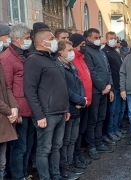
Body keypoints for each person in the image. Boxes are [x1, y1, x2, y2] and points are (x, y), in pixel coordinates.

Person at [23, 25, 70, 180]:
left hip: (60, 111)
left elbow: (61, 86)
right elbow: (30, 91)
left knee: (57, 147)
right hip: (46, 114)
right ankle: (45, 177)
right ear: (42, 42)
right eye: (52, 39)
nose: (55, 41)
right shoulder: (34, 61)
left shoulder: (54, 59)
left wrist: (66, 108)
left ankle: (56, 175)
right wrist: (39, 115)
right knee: (44, 149)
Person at [0, 23, 34, 180]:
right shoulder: (7, 58)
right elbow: (7, 87)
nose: (29, 41)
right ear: (17, 39)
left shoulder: (25, 54)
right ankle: (18, 176)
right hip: (19, 110)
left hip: (29, 107)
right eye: (27, 38)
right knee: (19, 148)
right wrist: (15, 109)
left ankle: (25, 173)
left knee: (27, 146)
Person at [57, 40, 87, 179]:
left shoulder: (71, 66)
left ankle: (70, 165)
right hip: (68, 108)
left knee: (73, 139)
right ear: (61, 52)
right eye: (69, 50)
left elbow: (79, 82)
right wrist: (79, 100)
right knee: (66, 141)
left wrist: (82, 98)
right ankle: (64, 169)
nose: (72, 53)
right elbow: (65, 89)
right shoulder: (59, 67)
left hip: (77, 107)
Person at [83, 28, 114, 160]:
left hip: (105, 91)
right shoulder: (87, 52)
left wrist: (110, 87)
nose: (98, 39)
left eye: (99, 37)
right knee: (93, 120)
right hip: (96, 92)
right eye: (96, 37)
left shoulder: (100, 52)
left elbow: (108, 70)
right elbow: (91, 72)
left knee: (101, 118)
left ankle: (99, 142)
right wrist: (103, 87)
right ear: (89, 38)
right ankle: (91, 146)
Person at [69, 33, 93, 167]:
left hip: (86, 100)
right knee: (75, 134)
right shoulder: (72, 59)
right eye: (81, 44)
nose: (84, 46)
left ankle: (78, 154)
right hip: (78, 102)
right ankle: (74, 158)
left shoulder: (81, 57)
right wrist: (80, 100)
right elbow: (75, 83)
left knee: (82, 130)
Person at [101, 31, 127, 142]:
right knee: (113, 111)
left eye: (115, 38)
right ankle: (110, 132)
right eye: (111, 38)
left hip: (120, 85)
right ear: (106, 39)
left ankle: (116, 129)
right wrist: (110, 87)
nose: (113, 40)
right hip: (113, 86)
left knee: (120, 110)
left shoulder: (115, 52)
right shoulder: (104, 52)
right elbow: (108, 71)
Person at [0, 60, 19, 180]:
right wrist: (9, 111)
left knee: (1, 163)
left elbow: (6, 87)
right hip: (4, 115)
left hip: (4, 121)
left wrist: (14, 108)